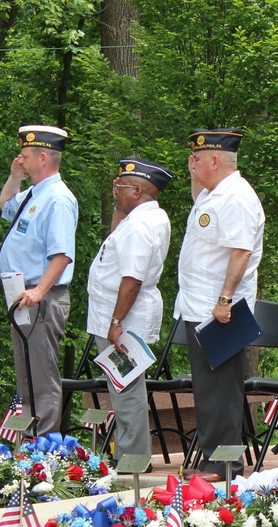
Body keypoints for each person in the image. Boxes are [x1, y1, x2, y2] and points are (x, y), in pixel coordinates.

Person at [175, 128, 265, 482]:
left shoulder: (237, 197)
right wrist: (194, 175)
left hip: (222, 309)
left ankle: (227, 463)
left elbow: (241, 250)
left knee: (223, 388)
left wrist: (225, 298)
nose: (191, 163)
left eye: (196, 158)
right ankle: (212, 458)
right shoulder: (214, 194)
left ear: (215, 160)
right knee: (207, 386)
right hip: (199, 306)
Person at [87, 158, 173, 464]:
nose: (114, 190)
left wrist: (116, 322)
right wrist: (119, 204)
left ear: (137, 191)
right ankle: (127, 453)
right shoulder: (140, 217)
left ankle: (133, 457)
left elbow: (132, 279)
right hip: (119, 313)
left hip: (125, 316)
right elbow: (113, 240)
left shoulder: (140, 225)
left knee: (127, 388)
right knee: (122, 385)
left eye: (120, 186)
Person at [0, 125, 78, 437]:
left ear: (43, 157)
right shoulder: (35, 193)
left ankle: (45, 447)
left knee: (42, 375)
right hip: (24, 296)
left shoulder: (57, 199)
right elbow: (6, 206)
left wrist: (39, 291)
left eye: (26, 155)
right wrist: (15, 176)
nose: (21, 158)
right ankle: (32, 440)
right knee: (27, 375)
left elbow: (62, 255)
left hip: (41, 297)